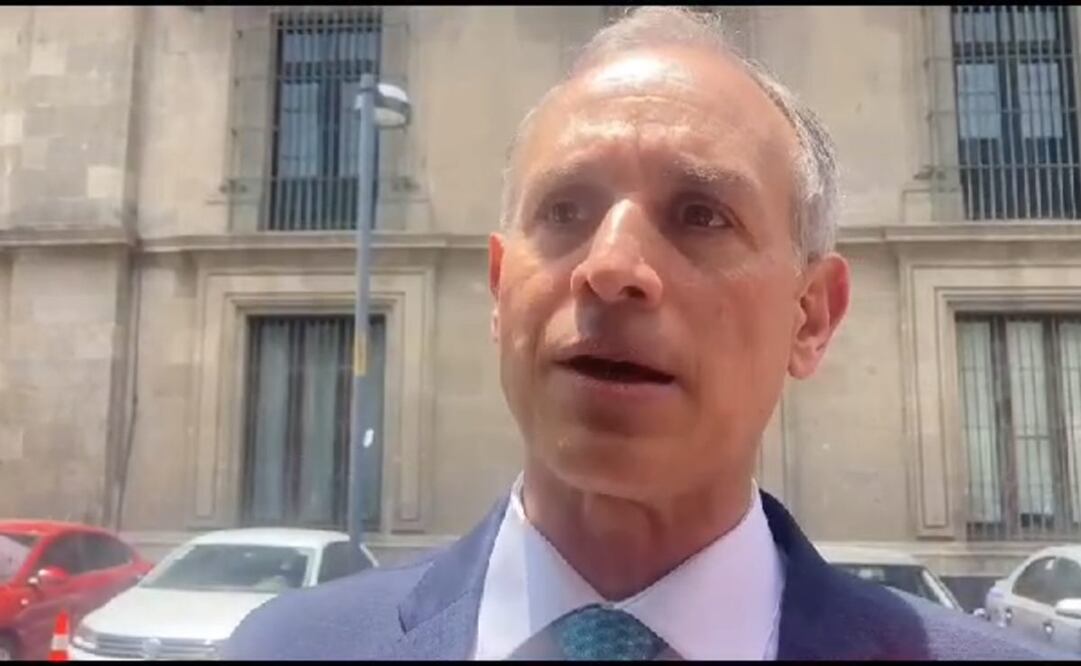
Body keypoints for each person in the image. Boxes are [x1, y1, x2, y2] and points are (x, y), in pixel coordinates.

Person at [225, 7, 1065, 660]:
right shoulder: (281, 647)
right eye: (564, 211)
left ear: (810, 317)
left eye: (700, 214)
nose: (611, 265)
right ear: (496, 290)